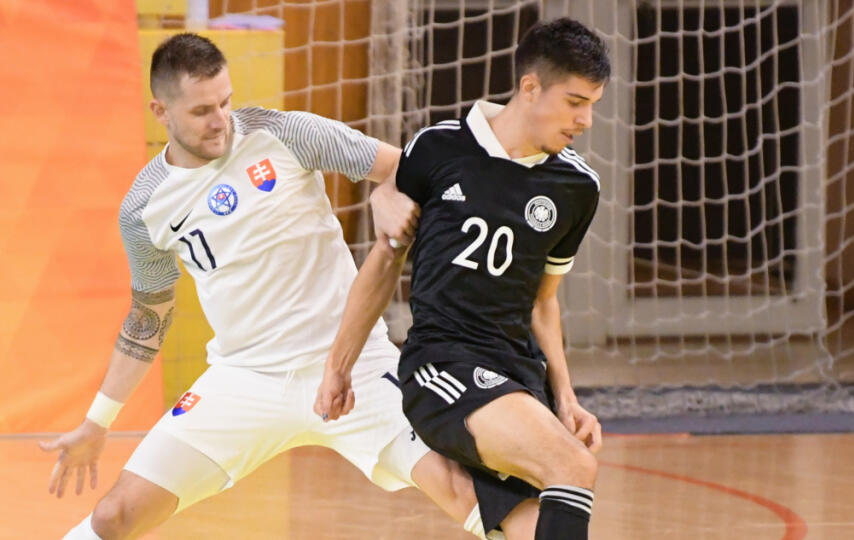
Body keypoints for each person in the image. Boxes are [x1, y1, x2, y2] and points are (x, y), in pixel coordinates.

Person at [41, 32, 531, 540]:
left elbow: (414, 169)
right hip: (244, 378)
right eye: (202, 111)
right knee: (113, 516)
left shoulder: (286, 133)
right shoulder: (144, 207)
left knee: (461, 489)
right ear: (160, 112)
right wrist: (98, 421)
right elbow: (150, 315)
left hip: (353, 365)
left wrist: (387, 195)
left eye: (226, 102)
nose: (220, 122)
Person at [316, 17, 611, 540]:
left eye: (593, 103)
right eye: (575, 101)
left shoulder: (576, 187)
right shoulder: (440, 148)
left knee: (525, 526)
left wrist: (565, 397)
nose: (585, 119)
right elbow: (383, 263)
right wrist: (338, 367)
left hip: (519, 376)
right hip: (444, 364)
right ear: (530, 87)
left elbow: (545, 303)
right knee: (574, 468)